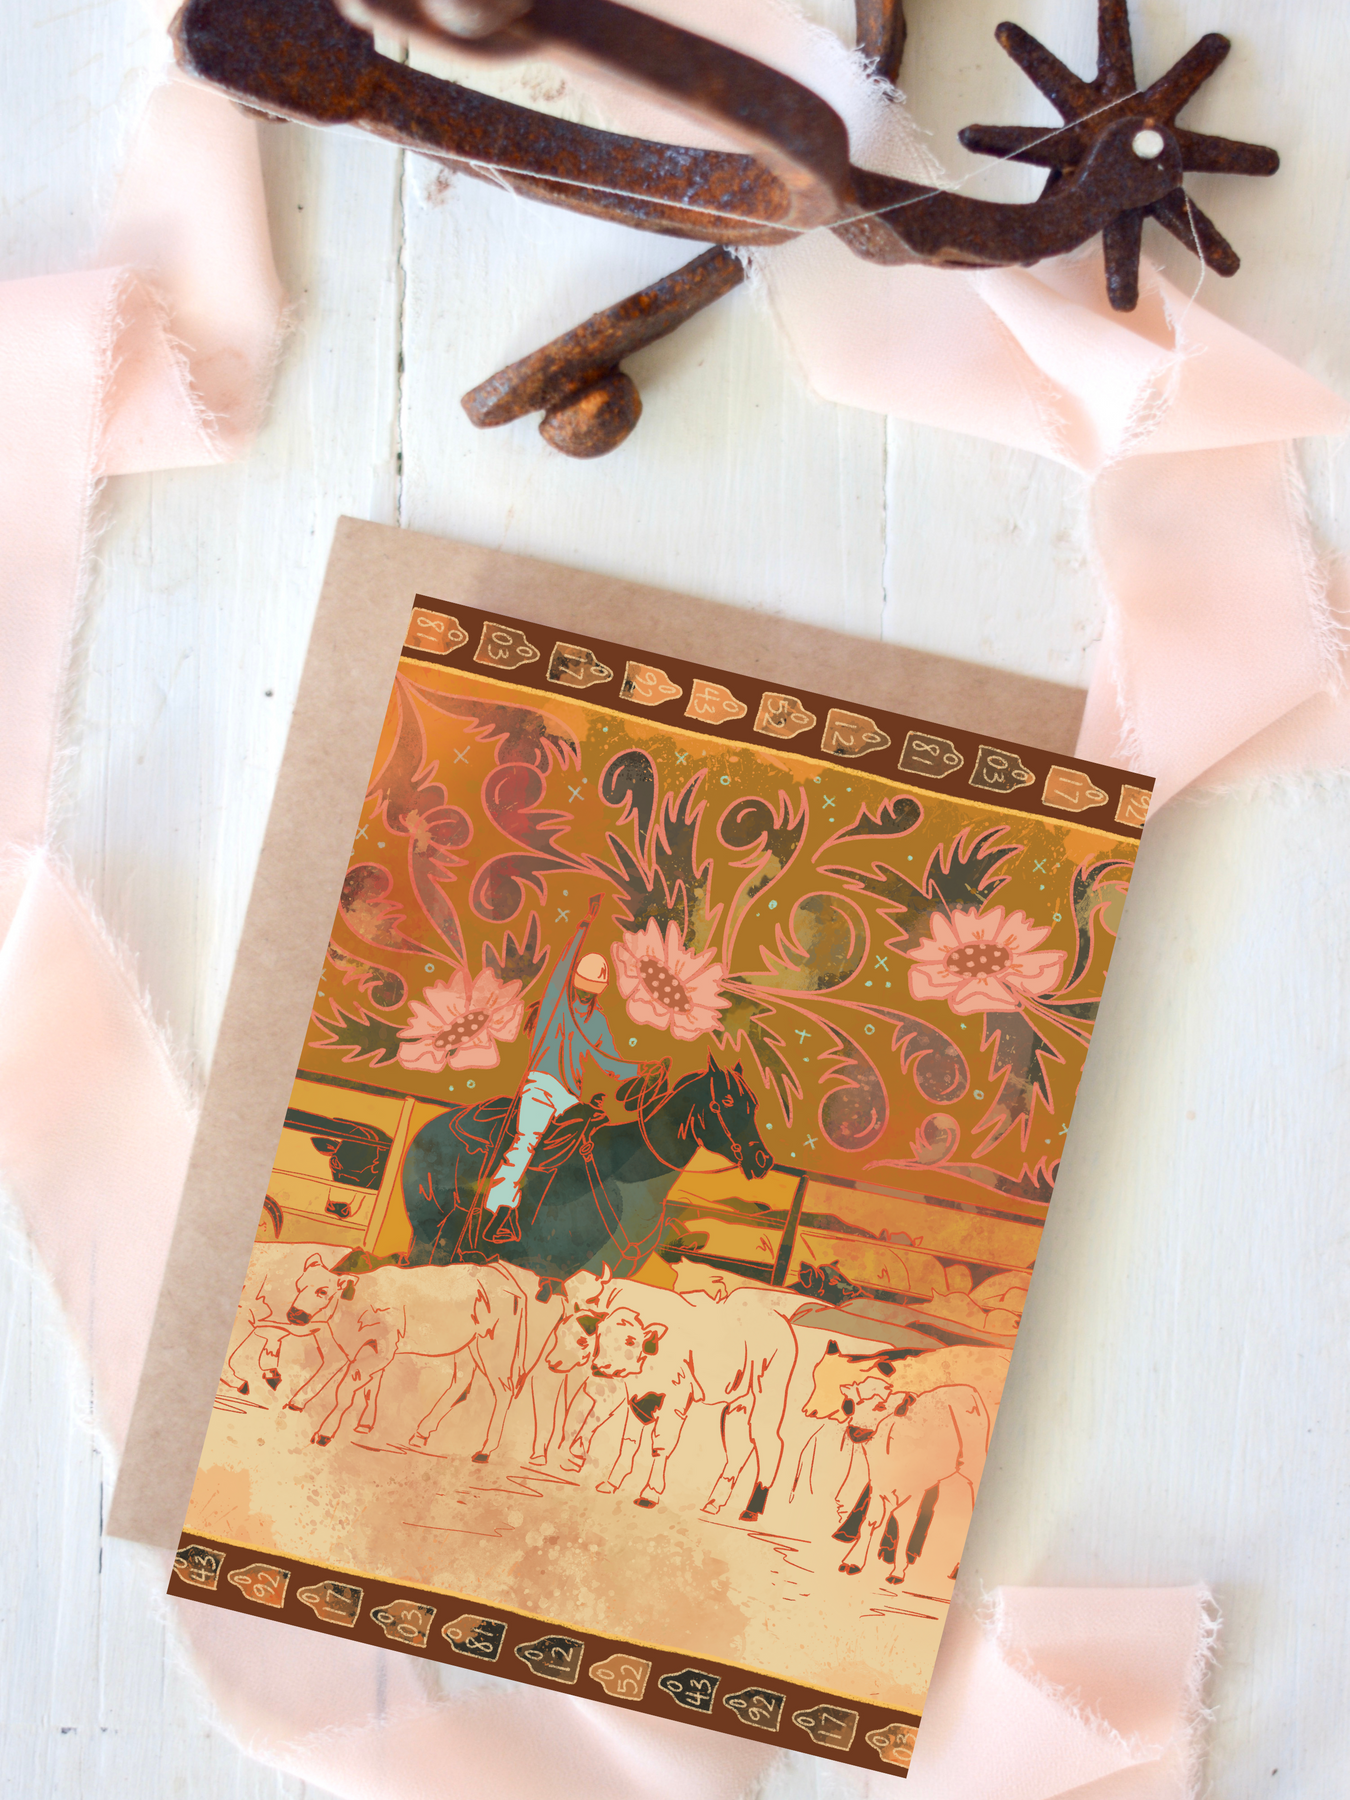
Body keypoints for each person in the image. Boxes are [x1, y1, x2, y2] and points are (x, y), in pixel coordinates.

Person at [483, 895, 644, 1240]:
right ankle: (496, 1210)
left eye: (591, 989)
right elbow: (563, 964)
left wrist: (642, 1071)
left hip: (571, 1097)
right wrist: (585, 922)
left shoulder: (598, 1021)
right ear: (574, 982)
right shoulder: (556, 1004)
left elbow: (609, 1062)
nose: (585, 993)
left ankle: (553, 1215)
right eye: (582, 986)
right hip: (541, 1086)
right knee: (526, 1143)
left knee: (585, 1148)